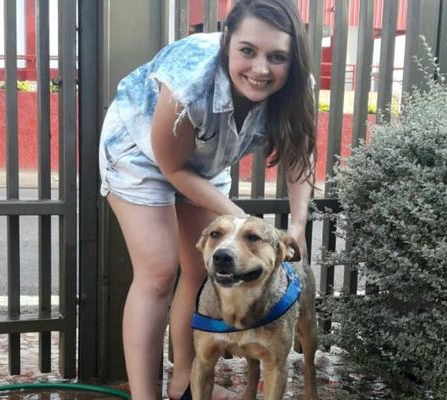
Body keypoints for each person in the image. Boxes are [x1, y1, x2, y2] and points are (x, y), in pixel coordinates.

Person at [98, 0, 316, 398]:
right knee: (159, 273)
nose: (261, 69)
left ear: (292, 58)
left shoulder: (298, 86)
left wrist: (298, 225)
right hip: (139, 150)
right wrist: (243, 224)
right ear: (227, 41)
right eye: (247, 50)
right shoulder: (190, 79)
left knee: (201, 270)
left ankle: (185, 380)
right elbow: (173, 167)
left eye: (277, 57)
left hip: (206, 157)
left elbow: (300, 154)